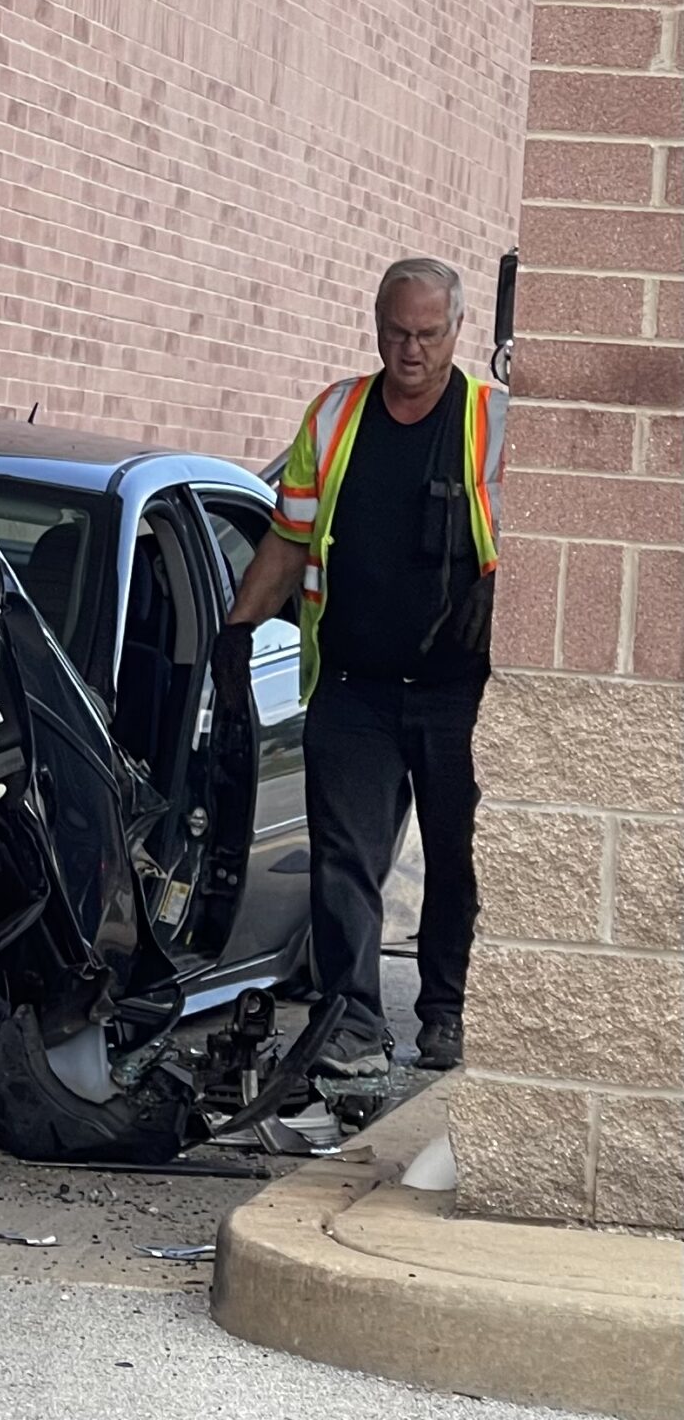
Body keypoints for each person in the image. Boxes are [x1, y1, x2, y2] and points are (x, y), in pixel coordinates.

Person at [214, 257, 508, 1077]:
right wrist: (238, 629)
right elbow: (289, 538)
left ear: (458, 330)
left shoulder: (495, 420)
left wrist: (501, 589)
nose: (411, 351)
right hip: (355, 685)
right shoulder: (336, 415)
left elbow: (545, 534)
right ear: (377, 327)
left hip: (460, 689)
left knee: (458, 857)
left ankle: (445, 1012)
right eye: (396, 333)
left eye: (428, 334)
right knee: (344, 858)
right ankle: (349, 1019)